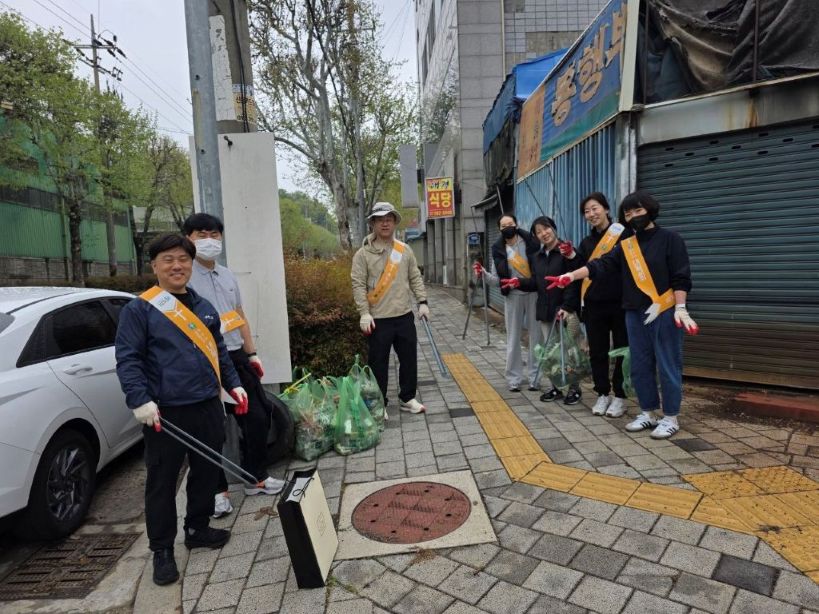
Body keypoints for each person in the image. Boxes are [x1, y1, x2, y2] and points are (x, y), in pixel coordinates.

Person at [115, 234, 247, 586]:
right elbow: (128, 360)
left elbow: (218, 352)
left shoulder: (202, 306)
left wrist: (234, 384)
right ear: (154, 265)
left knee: (206, 471)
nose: (177, 266)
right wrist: (138, 399)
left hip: (206, 405)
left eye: (183, 260)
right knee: (162, 482)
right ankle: (161, 550)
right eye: (168, 259)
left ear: (191, 264)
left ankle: (197, 527)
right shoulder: (139, 310)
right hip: (165, 413)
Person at [546, 190, 698, 439]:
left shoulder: (670, 239)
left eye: (638, 210)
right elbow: (600, 265)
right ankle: (648, 412)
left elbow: (681, 277)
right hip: (633, 313)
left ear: (650, 209)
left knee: (668, 365)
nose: (634, 216)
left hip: (664, 311)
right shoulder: (627, 245)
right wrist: (571, 276)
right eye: (628, 213)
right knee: (639, 366)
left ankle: (671, 417)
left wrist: (680, 307)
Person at [183, 213, 285, 521]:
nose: (210, 240)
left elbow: (238, 313)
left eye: (215, 235)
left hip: (236, 355)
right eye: (202, 234)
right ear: (188, 238)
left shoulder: (227, 275)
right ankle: (217, 492)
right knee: (211, 429)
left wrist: (252, 353)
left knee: (256, 415)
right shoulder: (183, 277)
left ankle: (257, 477)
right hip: (203, 361)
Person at [351, 202, 429, 413]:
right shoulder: (362, 254)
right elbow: (358, 284)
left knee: (409, 359)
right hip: (378, 319)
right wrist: (364, 313)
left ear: (394, 222)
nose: (385, 223)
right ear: (373, 224)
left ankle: (407, 398)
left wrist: (422, 302)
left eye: (389, 219)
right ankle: (379, 403)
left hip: (404, 316)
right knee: (378, 364)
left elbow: (415, 277)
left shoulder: (404, 250)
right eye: (380, 219)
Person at [575, 193, 629, 417]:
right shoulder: (586, 243)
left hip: (620, 303)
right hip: (594, 304)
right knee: (597, 352)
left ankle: (620, 396)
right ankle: (602, 393)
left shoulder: (623, 234)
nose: (591, 214)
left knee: (621, 350)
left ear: (606, 209)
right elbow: (580, 276)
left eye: (594, 208)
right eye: (586, 211)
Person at [473, 214, 541, 392]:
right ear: (500, 229)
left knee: (536, 336)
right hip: (512, 296)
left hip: (533, 293)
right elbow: (496, 280)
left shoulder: (531, 241)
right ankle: (514, 378)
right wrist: (483, 274)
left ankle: (535, 377)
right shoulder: (498, 249)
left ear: (516, 224)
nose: (507, 227)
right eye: (503, 226)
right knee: (513, 338)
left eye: (510, 224)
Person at [528, 215, 583, 405]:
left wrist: (567, 306)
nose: (544, 233)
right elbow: (536, 283)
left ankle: (574, 388)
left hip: (565, 311)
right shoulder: (537, 257)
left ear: (553, 227)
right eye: (539, 232)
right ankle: (557, 387)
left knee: (569, 351)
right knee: (551, 352)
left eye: (546, 228)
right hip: (546, 311)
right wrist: (517, 283)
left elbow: (574, 283)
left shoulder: (567, 252)